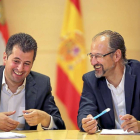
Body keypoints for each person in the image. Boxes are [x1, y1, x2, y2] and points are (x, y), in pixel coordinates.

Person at [77, 30, 140, 134]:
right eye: (91, 56)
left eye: (98, 56)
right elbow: (85, 110)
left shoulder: (138, 73)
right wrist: (87, 123)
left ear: (116, 55)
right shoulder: (90, 80)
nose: (93, 62)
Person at [0, 33, 65, 131]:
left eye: (26, 63)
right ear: (5, 58)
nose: (20, 68)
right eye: (16, 61)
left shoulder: (41, 84)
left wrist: (45, 118)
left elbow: (60, 127)